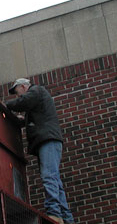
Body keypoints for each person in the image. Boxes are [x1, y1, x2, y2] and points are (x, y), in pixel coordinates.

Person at [5, 78, 74, 224]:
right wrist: (21, 120)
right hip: (50, 140)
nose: (18, 97)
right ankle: (66, 218)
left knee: (49, 176)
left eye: (18, 93)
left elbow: (23, 102)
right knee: (55, 179)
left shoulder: (36, 90)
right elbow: (34, 117)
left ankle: (54, 212)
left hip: (47, 141)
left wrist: (7, 105)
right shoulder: (39, 98)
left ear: (24, 87)